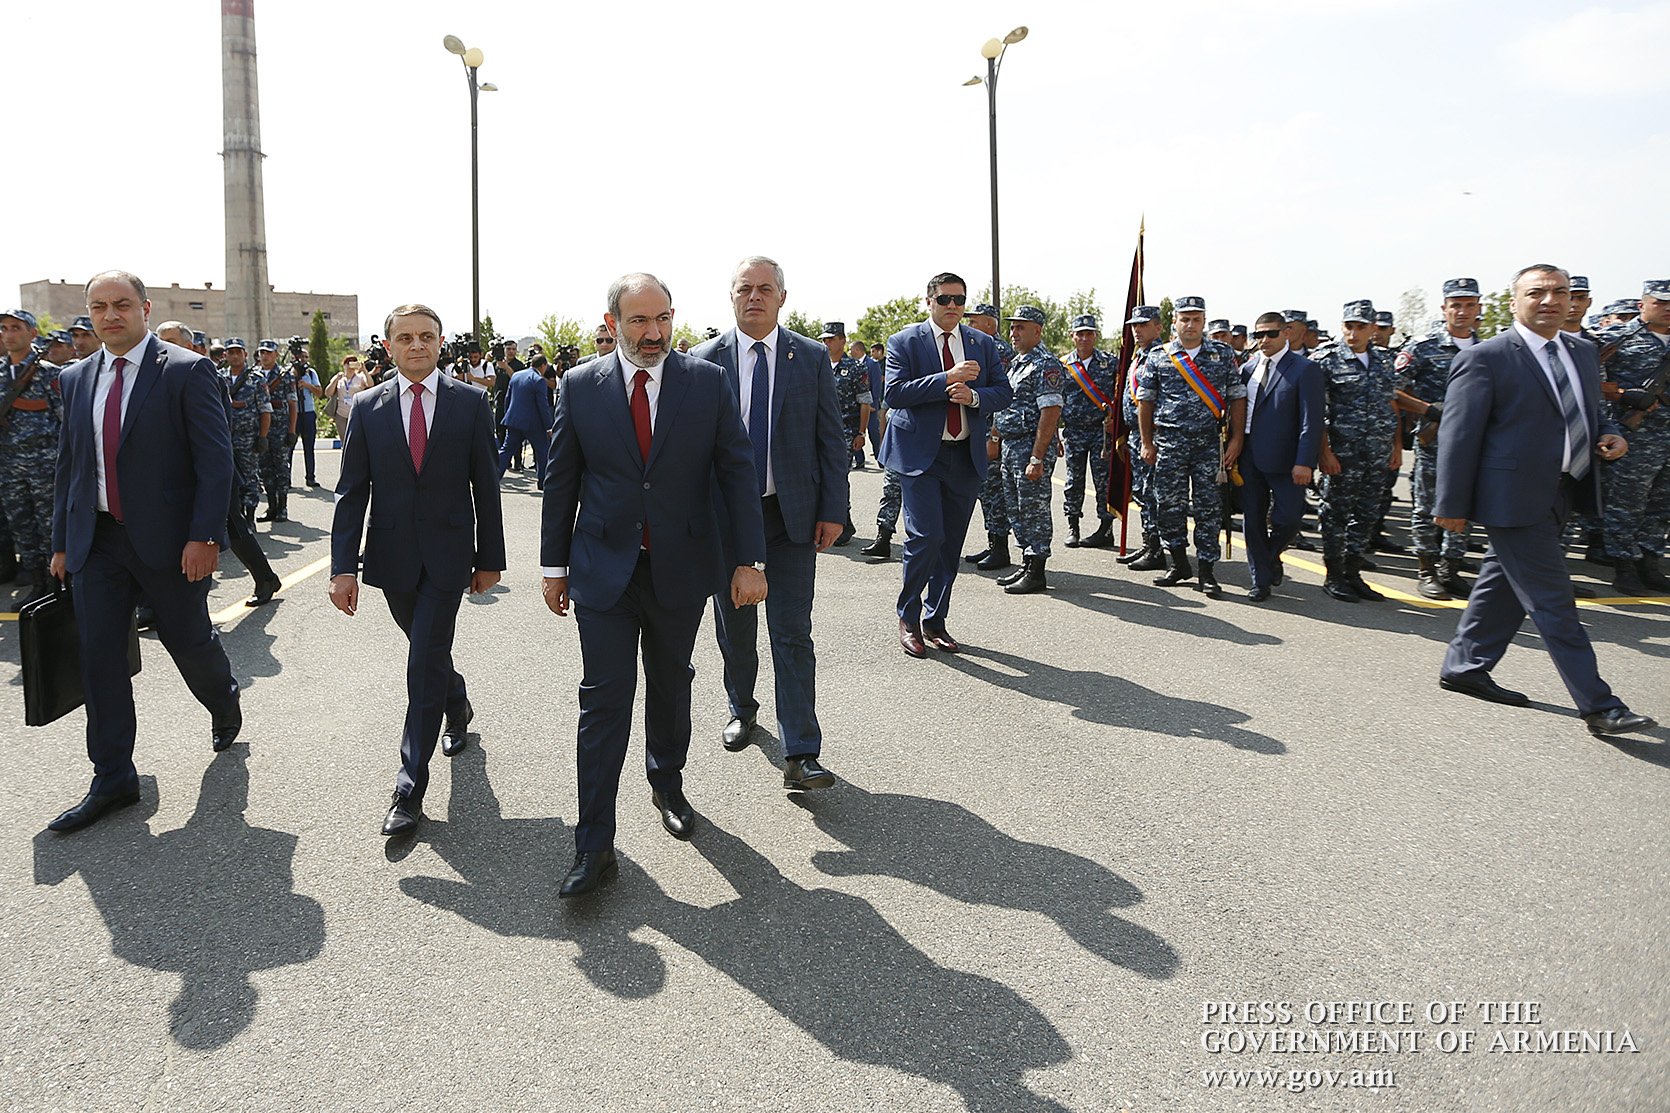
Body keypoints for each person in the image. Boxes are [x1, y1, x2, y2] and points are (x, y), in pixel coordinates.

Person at [541, 273, 766, 899]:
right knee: (604, 700)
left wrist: (749, 560)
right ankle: (594, 844)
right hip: (602, 572)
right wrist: (554, 566)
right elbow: (562, 479)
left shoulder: (707, 382)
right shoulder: (580, 385)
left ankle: (667, 782)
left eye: (662, 318)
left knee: (671, 683)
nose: (653, 332)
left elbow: (736, 472)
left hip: (682, 567)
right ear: (612, 323)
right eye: (639, 321)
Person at [46, 270, 242, 833]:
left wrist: (205, 536)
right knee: (100, 658)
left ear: (145, 309)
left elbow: (215, 461)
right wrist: (61, 542)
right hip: (98, 541)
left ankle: (223, 700)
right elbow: (70, 464)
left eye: (122, 305)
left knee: (188, 641)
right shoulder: (75, 377)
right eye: (99, 306)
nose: (110, 315)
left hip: (170, 541)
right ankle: (113, 777)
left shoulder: (186, 370)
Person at [1435, 264, 1655, 738]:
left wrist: (1611, 434)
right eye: (1536, 293)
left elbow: (1591, 412)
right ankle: (1600, 706)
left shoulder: (1582, 350)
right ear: (1514, 302)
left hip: (1565, 489)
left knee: (1502, 583)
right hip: (1511, 497)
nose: (1551, 300)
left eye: (1560, 292)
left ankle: (1465, 667)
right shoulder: (1487, 357)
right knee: (1554, 601)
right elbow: (1458, 433)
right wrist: (1450, 504)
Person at [329, 303, 506, 836]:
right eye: (405, 338)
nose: (417, 345)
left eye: (426, 336)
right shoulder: (367, 406)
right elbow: (352, 491)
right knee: (428, 653)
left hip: (450, 557)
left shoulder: (470, 402)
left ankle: (409, 789)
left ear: (439, 342)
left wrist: (490, 559)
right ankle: (457, 701)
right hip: (393, 558)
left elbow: (486, 486)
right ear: (389, 347)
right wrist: (343, 567)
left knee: (421, 661)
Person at [692, 256, 847, 789]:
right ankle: (742, 707)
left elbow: (830, 437)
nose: (754, 297)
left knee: (792, 630)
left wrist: (833, 510)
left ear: (783, 297)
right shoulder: (702, 361)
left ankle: (801, 750)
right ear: (732, 297)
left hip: (790, 516)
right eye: (745, 289)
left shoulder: (810, 356)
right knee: (735, 626)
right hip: (727, 519)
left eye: (765, 288)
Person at [881, 272, 1012, 656]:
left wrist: (974, 397)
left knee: (950, 543)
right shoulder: (904, 341)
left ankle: (935, 620)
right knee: (926, 537)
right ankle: (909, 616)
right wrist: (946, 379)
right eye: (944, 299)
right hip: (920, 458)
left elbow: (1003, 391)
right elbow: (893, 393)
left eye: (959, 299)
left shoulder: (981, 343)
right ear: (929, 301)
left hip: (964, 456)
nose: (952, 306)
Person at [156, 322, 281, 607]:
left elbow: (218, 429)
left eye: (170, 341)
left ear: (188, 346)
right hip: (174, 472)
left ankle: (265, 578)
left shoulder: (203, 374)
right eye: (159, 341)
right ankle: (156, 604)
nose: (162, 347)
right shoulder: (157, 377)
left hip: (209, 469)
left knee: (234, 527)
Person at [1137, 296, 1245, 598]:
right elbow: (1145, 401)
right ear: (1175, 322)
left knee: (1209, 509)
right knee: (1168, 506)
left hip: (1209, 445)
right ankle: (1179, 563)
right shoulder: (1159, 356)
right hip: (1170, 443)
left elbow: (1237, 396)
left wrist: (1237, 439)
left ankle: (1207, 571)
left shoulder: (1222, 354)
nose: (1190, 325)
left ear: (1204, 322)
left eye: (1197, 319)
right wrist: (1147, 442)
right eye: (1185, 319)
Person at [1395, 278, 1483, 599]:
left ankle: (1451, 568)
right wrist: (1429, 410)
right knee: (1426, 506)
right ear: (1444, 309)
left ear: (1478, 308)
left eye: (1469, 305)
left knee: (1466, 505)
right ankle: (1427, 571)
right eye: (1455, 305)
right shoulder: (1423, 347)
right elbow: (1391, 388)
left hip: (1474, 441)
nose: (1462, 311)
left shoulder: (1488, 349)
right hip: (1434, 441)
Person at [1313, 300, 1401, 602]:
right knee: (1335, 514)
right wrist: (1324, 453)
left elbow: (1390, 404)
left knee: (1367, 513)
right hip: (1342, 454)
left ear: (1373, 328)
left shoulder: (1384, 361)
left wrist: (1396, 446)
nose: (1353, 333)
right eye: (1348, 326)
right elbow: (1316, 412)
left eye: (1360, 327)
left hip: (1377, 452)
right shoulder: (1327, 359)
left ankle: (1353, 572)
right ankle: (1334, 575)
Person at [1238, 312, 1323, 601]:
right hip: (1248, 455)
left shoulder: (1305, 369)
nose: (1264, 340)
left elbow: (1312, 421)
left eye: (1271, 333)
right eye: (1258, 334)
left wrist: (1305, 462)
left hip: (1287, 459)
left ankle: (1271, 556)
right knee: (1252, 519)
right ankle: (1260, 579)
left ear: (1286, 333)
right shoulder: (1247, 369)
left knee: (1289, 518)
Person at [1597, 280, 1670, 595]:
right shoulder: (1617, 337)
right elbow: (1587, 379)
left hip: (1667, 437)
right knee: (1627, 503)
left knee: (1663, 505)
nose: (1668, 309)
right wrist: (1623, 395)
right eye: (1660, 302)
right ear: (1642, 305)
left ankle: (1650, 563)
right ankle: (1624, 566)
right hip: (1633, 436)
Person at [992, 306, 1065, 595]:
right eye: (1012, 327)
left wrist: (1037, 457)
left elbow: (1050, 412)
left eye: (1020, 327)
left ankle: (1037, 571)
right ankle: (1026, 562)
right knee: (1016, 507)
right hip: (1012, 446)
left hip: (1029, 447)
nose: (1014, 333)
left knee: (1033, 509)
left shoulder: (1046, 364)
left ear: (1037, 331)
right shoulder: (1017, 363)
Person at [0, 308, 64, 600]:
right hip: (9, 468)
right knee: (22, 529)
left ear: (32, 333)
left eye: (16, 328)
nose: (8, 334)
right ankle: (37, 586)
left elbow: (67, 423)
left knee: (51, 529)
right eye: (4, 328)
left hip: (45, 467)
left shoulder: (49, 373)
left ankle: (57, 588)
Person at [955, 302, 1015, 571]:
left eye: (975, 321)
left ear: (990, 324)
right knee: (985, 491)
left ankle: (1000, 549)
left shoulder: (997, 350)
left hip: (992, 431)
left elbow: (1004, 397)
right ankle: (993, 544)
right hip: (979, 430)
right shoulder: (980, 346)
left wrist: (995, 437)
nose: (969, 326)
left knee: (994, 492)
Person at [1059, 313, 1118, 549]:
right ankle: (1073, 526)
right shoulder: (1063, 365)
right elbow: (1056, 399)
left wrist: (1117, 421)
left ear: (1096, 336)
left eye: (1089, 334)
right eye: (1080, 334)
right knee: (1074, 480)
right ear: (1072, 336)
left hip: (1101, 432)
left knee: (1103, 481)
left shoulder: (1110, 363)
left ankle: (1106, 528)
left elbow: (1120, 394)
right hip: (1074, 431)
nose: (1084, 338)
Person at [1116, 306, 1167, 571]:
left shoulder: (1161, 357)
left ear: (1158, 328)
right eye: (1134, 325)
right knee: (1142, 491)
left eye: (1143, 325)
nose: (1137, 330)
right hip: (1136, 434)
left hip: (1153, 434)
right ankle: (1149, 543)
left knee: (1152, 492)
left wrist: (1149, 439)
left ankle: (1157, 547)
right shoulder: (1138, 356)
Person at [823, 321, 870, 541]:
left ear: (843, 340)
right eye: (824, 339)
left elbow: (865, 402)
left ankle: (842, 522)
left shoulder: (855, 367)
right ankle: (838, 521)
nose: (827, 343)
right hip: (821, 430)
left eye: (831, 339)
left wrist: (861, 433)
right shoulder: (818, 363)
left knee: (839, 476)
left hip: (846, 431)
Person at [254, 340, 296, 522]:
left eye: (269, 353)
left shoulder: (285, 376)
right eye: (262, 352)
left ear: (276, 355)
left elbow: (293, 404)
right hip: (260, 429)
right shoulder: (253, 375)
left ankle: (282, 507)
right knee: (265, 469)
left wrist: (292, 431)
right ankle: (271, 507)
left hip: (280, 428)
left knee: (281, 468)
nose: (265, 356)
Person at [498, 353, 556, 478]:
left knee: (506, 451)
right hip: (534, 424)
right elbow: (543, 405)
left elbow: (508, 398)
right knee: (543, 452)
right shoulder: (539, 380)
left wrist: (508, 416)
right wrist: (548, 426)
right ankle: (543, 481)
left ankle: (493, 477)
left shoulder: (516, 376)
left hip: (514, 421)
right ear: (543, 365)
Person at [288, 345, 323, 487]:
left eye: (306, 357)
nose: (303, 359)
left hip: (308, 413)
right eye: (301, 356)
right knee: (289, 447)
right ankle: (286, 478)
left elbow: (319, 393)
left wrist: (308, 385)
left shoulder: (311, 373)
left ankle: (310, 477)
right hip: (292, 414)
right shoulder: (288, 372)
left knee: (309, 447)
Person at [323, 352, 372, 433]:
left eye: (353, 362)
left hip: (356, 413)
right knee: (344, 438)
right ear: (344, 365)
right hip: (341, 413)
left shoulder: (360, 377)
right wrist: (336, 380)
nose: (350, 366)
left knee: (356, 437)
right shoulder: (339, 377)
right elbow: (328, 393)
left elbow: (370, 385)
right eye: (348, 362)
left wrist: (365, 370)